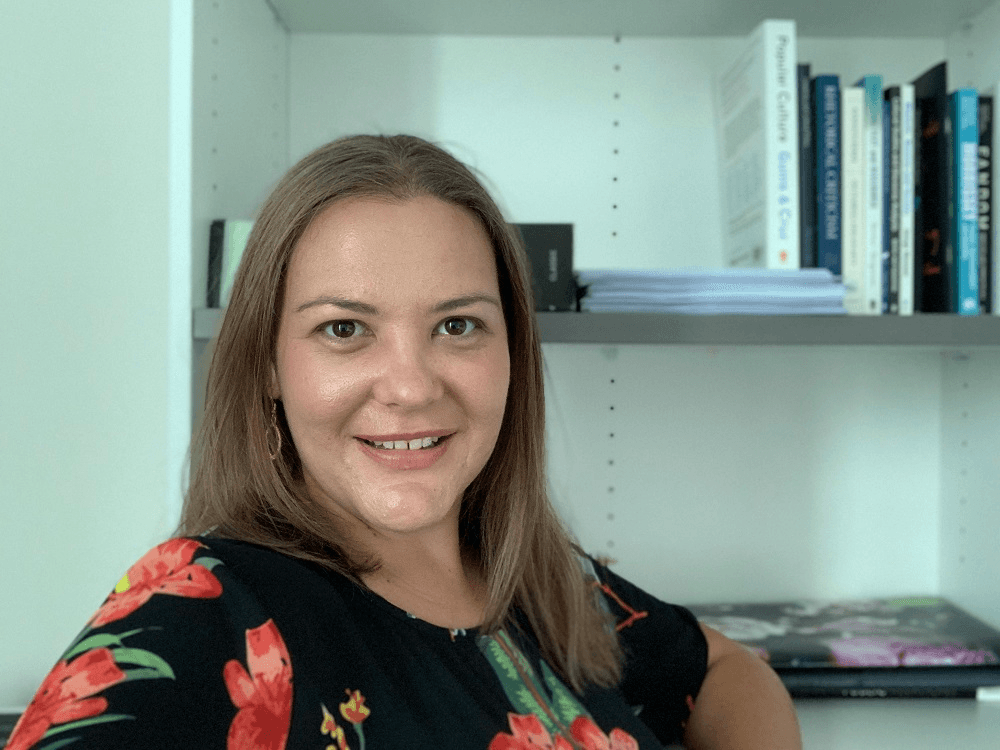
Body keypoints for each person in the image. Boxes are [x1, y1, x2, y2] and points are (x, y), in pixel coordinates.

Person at [8, 135, 801, 750]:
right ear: (269, 368)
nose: (412, 385)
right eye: (344, 329)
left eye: (457, 325)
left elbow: (731, 673)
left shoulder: (540, 577)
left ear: (512, 355)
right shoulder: (206, 606)